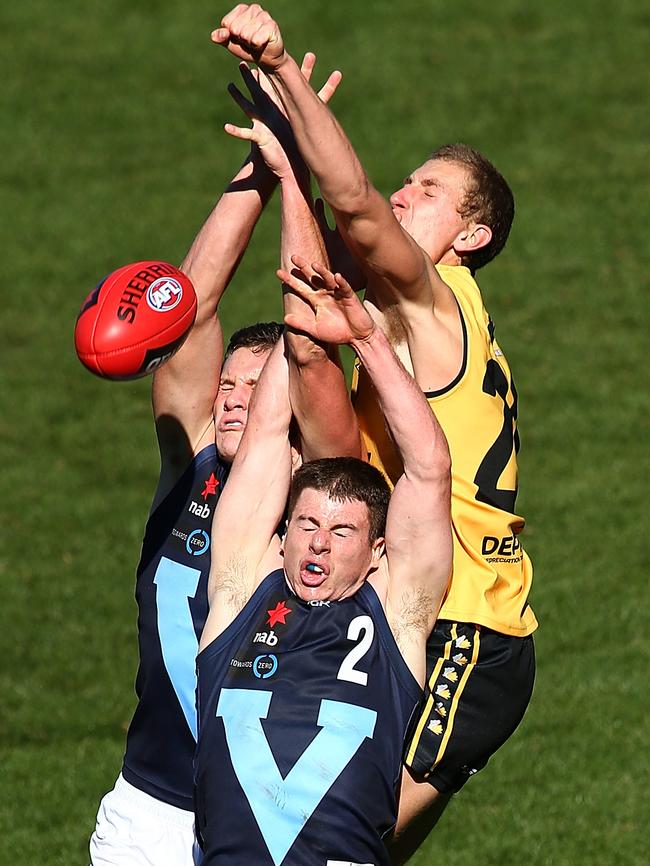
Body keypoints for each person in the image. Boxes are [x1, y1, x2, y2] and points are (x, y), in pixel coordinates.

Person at [212, 7, 537, 861]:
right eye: (409, 182)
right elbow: (320, 382)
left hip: (466, 631)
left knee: (321, 840)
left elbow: (353, 206)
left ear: (471, 236)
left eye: (428, 194)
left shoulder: (433, 302)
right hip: (422, 615)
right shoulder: (389, 331)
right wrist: (289, 177)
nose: (402, 195)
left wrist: (282, 69)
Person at [89, 52, 341, 866]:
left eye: (252, 386)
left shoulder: (316, 499)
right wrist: (261, 165)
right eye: (225, 383)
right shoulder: (189, 467)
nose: (232, 397)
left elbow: (309, 343)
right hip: (150, 811)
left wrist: (302, 179)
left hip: (267, 816)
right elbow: (187, 310)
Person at [194, 264, 452, 866]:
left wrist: (364, 337)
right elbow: (265, 435)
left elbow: (429, 470)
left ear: (377, 552)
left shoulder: (395, 618)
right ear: (283, 533)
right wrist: (300, 321)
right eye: (307, 524)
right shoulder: (239, 591)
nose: (318, 544)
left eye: (342, 532)